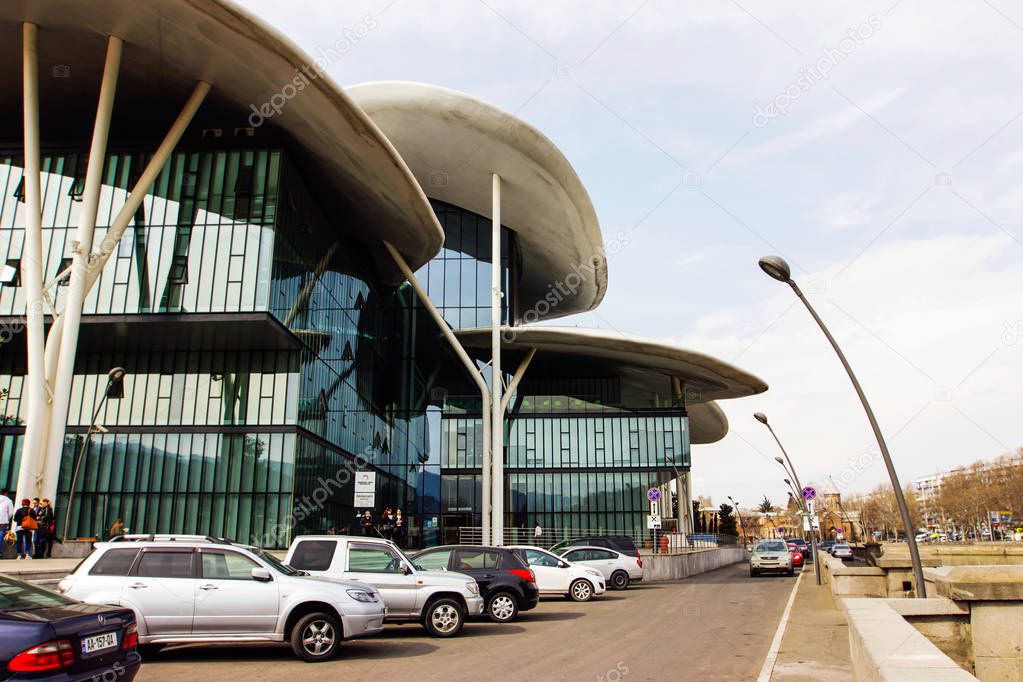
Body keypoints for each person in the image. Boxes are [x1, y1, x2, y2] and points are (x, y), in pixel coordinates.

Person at [0, 490, 14, 556]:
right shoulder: (8, 501)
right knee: (1, 536)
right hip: (3, 521)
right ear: (6, 494)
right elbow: (11, 512)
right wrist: (8, 518)